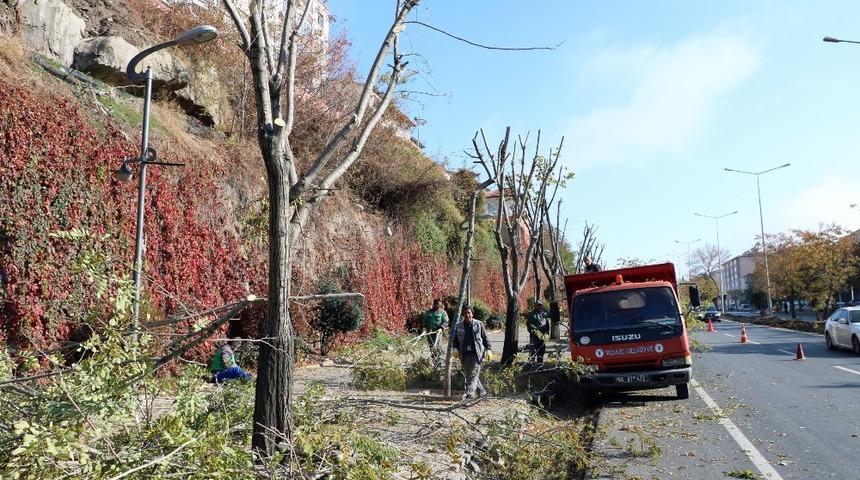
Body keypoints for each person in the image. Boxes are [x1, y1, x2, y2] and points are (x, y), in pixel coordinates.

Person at [451, 306, 493, 400]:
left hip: (476, 354)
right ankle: (482, 392)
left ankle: (470, 395)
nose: (467, 315)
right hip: (464, 354)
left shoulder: (479, 324)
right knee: (469, 375)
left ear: (472, 314)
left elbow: (485, 338)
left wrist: (488, 349)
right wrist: (455, 348)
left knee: (473, 375)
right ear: (463, 315)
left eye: (469, 313)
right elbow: (455, 340)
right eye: (465, 313)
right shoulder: (459, 326)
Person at [423, 299, 448, 368]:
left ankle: (439, 363)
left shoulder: (442, 313)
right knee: (432, 347)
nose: (438, 306)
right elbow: (425, 320)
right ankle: (434, 363)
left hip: (438, 333)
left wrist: (441, 328)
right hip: (429, 333)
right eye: (436, 304)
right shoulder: (428, 312)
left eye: (439, 305)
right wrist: (424, 328)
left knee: (437, 347)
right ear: (434, 304)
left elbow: (445, 321)